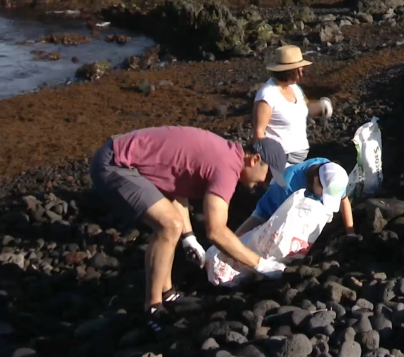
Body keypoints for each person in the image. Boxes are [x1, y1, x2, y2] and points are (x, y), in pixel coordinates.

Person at [89, 127, 289, 334]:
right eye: (268, 175)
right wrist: (262, 265)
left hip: (124, 157)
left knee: (173, 225)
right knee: (169, 225)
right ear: (254, 160)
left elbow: (175, 183)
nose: (265, 182)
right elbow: (216, 231)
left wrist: (189, 237)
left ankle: (167, 293)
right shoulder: (227, 167)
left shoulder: (224, 153)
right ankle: (152, 307)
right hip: (115, 164)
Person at [253, 45, 333, 166]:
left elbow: (303, 108)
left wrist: (321, 107)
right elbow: (259, 132)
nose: (301, 74)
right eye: (298, 70)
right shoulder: (267, 96)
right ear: (287, 71)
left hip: (300, 158)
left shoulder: (295, 89)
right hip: (281, 159)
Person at [234, 158, 355, 237]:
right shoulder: (288, 184)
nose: (323, 198)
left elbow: (344, 200)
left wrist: (350, 233)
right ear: (316, 180)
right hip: (275, 205)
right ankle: (221, 249)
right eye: (323, 194)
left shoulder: (334, 176)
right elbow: (277, 219)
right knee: (254, 224)